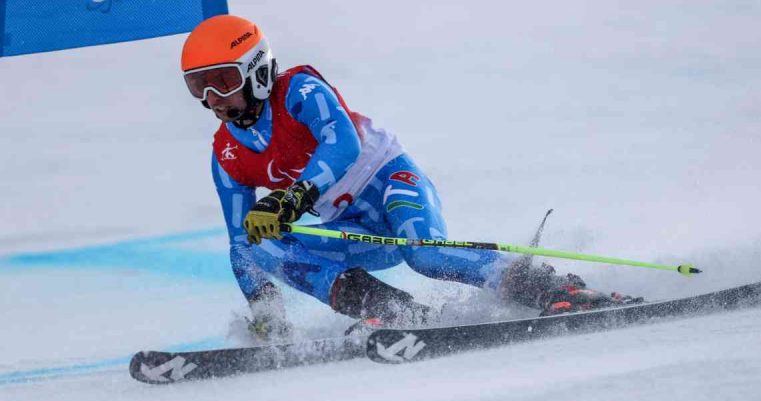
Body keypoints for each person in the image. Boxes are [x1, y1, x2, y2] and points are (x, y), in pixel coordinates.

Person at [180, 15, 636, 341]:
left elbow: (343, 145)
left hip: (391, 184)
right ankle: (393, 311)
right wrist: (266, 311)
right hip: (353, 229)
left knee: (425, 255)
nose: (215, 99)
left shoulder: (299, 90)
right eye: (200, 86)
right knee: (261, 243)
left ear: (258, 71)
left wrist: (294, 197)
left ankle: (556, 288)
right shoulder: (226, 154)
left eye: (223, 80)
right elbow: (240, 245)